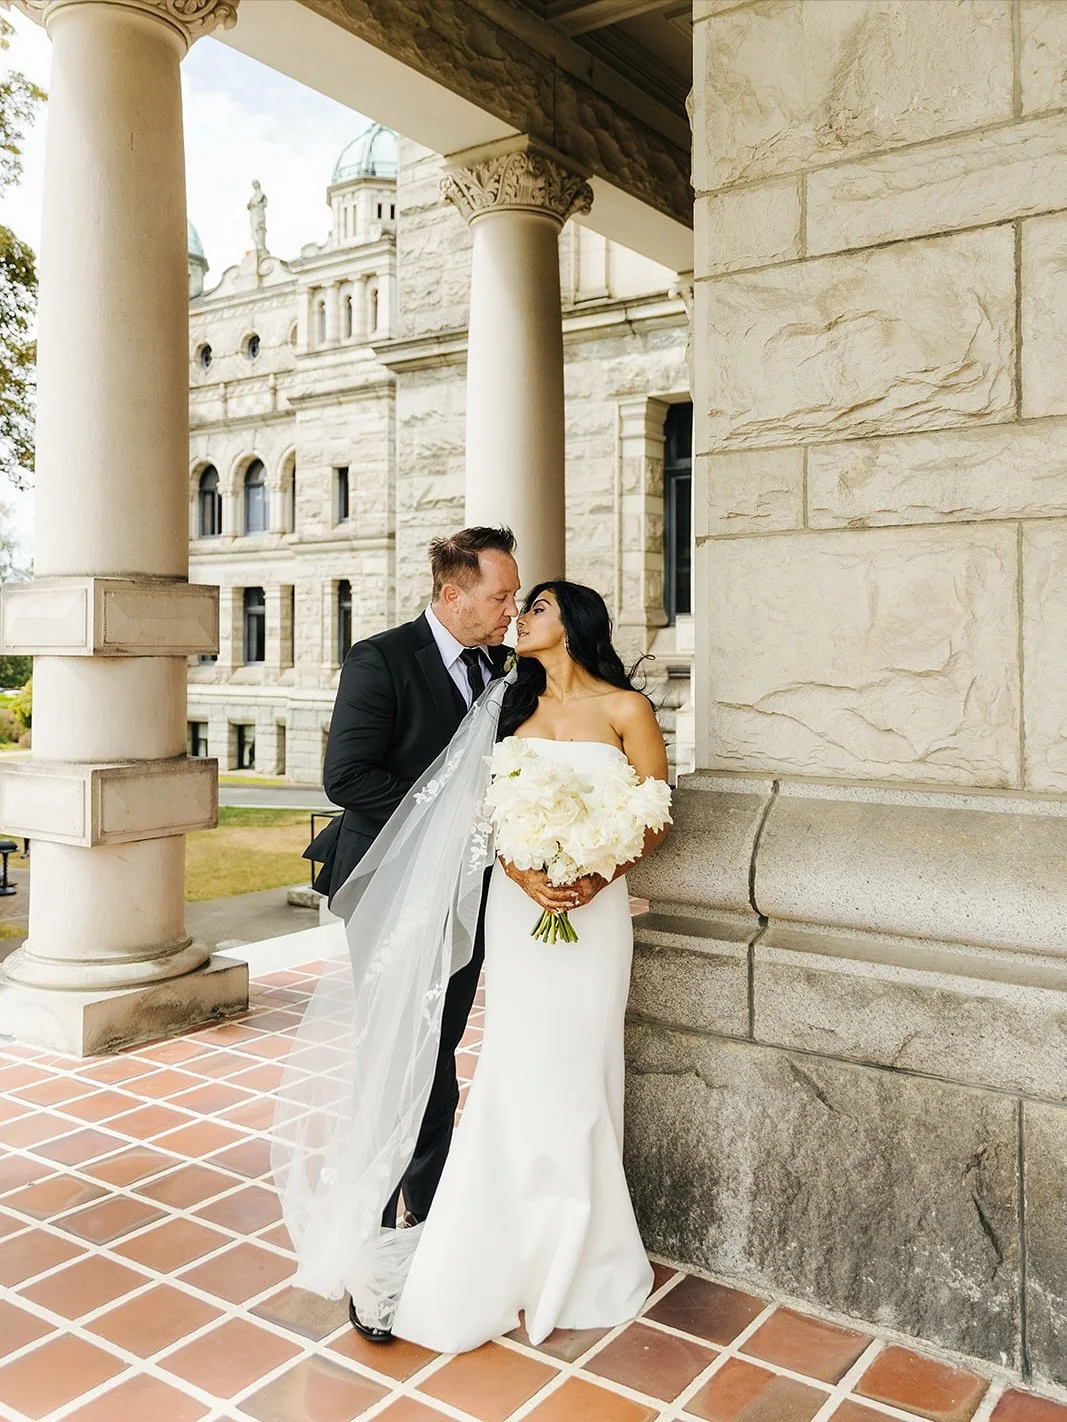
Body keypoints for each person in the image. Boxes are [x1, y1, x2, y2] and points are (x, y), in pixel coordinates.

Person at [276, 578, 669, 1353]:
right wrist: (524, 874)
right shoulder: (504, 704)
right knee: (511, 1062)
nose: (517, 616)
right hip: (519, 908)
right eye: (509, 602)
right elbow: (476, 805)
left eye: (535, 607)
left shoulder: (628, 709)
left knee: (580, 1063)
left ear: (575, 623)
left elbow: (654, 813)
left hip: (593, 915)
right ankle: (489, 1229)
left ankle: (581, 1239)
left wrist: (594, 874)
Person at [305, 525, 520, 1339]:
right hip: (390, 895)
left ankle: (421, 1225)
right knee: (409, 1062)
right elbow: (347, 776)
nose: (509, 610)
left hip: (467, 897)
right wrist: (459, 822)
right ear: (451, 595)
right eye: (499, 596)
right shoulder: (381, 659)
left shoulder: (501, 667)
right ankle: (384, 1254)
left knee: (438, 1054)